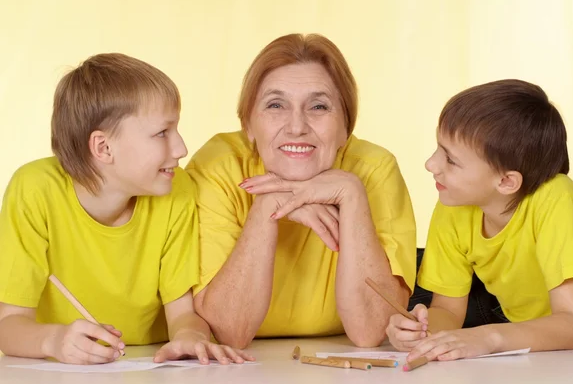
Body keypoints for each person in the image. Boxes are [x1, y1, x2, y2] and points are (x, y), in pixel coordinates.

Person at [0, 53, 253, 365]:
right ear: (104, 147)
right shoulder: (34, 189)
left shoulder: (177, 189)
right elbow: (9, 325)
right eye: (163, 132)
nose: (181, 148)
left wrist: (192, 337)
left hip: (152, 366)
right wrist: (54, 341)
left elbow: (183, 313)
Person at [186, 33, 417, 349]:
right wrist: (269, 205)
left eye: (319, 106)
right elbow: (231, 330)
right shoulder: (218, 166)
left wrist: (350, 193)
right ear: (248, 125)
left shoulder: (373, 169)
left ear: (345, 129)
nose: (297, 126)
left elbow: (372, 330)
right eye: (276, 104)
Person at [387, 79, 573, 361]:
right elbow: (449, 311)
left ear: (506, 181)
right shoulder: (454, 202)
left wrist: (489, 336)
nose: (431, 164)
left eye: (451, 160)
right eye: (438, 147)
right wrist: (421, 330)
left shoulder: (556, 198)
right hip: (515, 322)